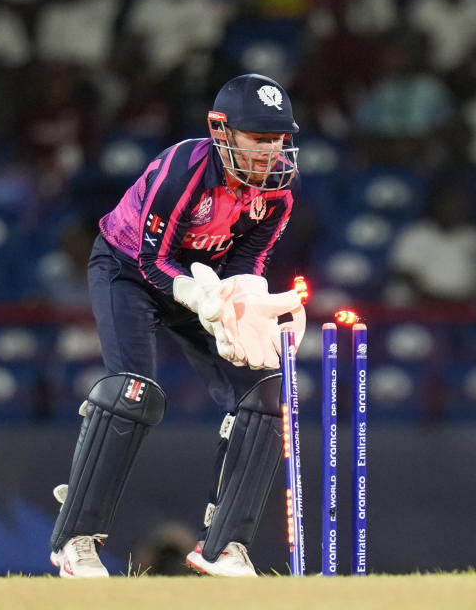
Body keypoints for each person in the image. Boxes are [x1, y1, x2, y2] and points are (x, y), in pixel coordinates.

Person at [49, 73, 307, 578]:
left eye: (278, 140)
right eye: (258, 138)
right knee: (132, 391)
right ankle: (74, 540)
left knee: (267, 392)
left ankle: (225, 546)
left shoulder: (277, 195)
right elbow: (151, 261)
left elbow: (247, 263)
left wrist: (243, 302)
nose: (270, 152)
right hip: (128, 272)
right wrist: (194, 291)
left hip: (205, 286)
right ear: (221, 130)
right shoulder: (181, 169)